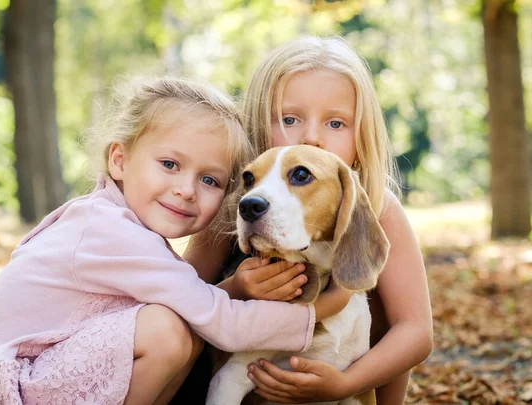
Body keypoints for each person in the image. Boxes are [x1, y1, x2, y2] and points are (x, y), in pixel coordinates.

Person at [0, 77, 322, 405]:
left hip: (29, 378)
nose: (186, 190)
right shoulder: (108, 231)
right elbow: (223, 323)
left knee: (183, 330)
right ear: (119, 160)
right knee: (166, 331)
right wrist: (325, 312)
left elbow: (198, 308)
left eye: (210, 180)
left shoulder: (114, 220)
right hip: (1, 394)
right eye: (170, 164)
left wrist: (235, 287)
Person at [182, 35, 433, 404]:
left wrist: (347, 384)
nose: (312, 137)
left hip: (346, 375)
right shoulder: (239, 202)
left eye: (335, 123)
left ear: (362, 134)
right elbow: (183, 297)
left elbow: (415, 331)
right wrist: (236, 290)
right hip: (247, 376)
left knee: (374, 287)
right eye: (289, 118)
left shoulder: (381, 205)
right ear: (257, 123)